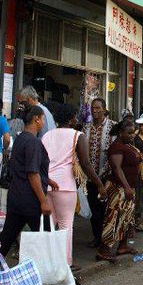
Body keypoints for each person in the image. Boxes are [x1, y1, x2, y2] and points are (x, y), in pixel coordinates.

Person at [42, 103, 105, 270]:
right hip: (65, 186)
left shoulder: (47, 135)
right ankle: (66, 263)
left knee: (51, 224)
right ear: (72, 118)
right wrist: (99, 184)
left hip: (48, 184)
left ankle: (50, 261)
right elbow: (85, 163)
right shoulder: (78, 135)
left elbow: (42, 160)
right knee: (66, 224)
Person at [0, 106, 58, 257]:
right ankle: (61, 275)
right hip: (31, 200)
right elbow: (32, 173)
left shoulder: (20, 138)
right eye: (43, 118)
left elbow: (25, 167)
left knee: (6, 239)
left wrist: (48, 180)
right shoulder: (33, 142)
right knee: (48, 242)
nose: (44, 122)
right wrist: (43, 201)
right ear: (37, 119)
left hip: (16, 197)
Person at [96, 120, 141, 262]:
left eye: (133, 132)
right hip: (119, 188)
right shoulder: (116, 147)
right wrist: (126, 187)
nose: (132, 135)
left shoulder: (127, 145)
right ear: (120, 133)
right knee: (112, 218)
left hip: (128, 188)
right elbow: (116, 167)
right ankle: (103, 250)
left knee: (126, 218)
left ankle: (123, 246)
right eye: (128, 133)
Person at [83, 97, 115, 247]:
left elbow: (115, 153)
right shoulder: (86, 128)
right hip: (90, 178)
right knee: (93, 209)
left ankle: (106, 239)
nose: (95, 111)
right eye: (93, 108)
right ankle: (97, 237)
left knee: (106, 209)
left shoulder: (112, 127)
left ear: (104, 109)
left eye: (98, 108)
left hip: (106, 177)